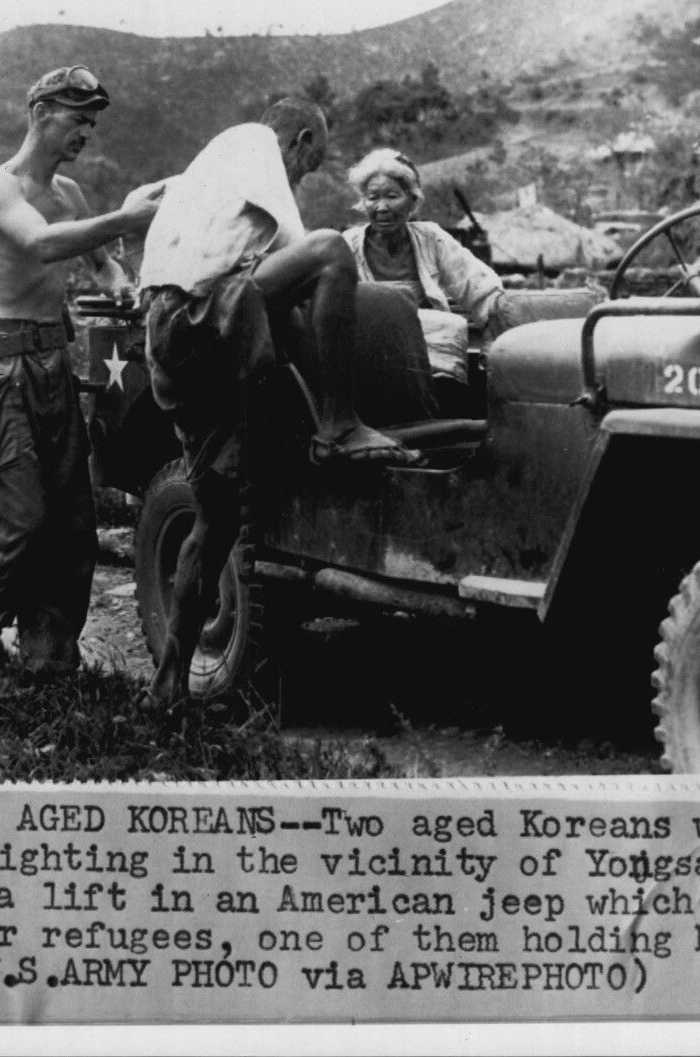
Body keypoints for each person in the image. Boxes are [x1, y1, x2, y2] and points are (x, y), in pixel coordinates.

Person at [138, 98, 417, 709]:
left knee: (215, 522)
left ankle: (167, 683)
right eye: (308, 164)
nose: (301, 175)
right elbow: (301, 242)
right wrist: (345, 290)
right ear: (300, 138)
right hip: (199, 314)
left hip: (174, 333)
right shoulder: (255, 144)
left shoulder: (208, 169)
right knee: (329, 253)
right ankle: (339, 426)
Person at [0, 65, 162, 677]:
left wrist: (119, 280)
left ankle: (49, 653)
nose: (87, 132)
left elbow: (99, 262)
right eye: (78, 119)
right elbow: (45, 244)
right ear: (41, 113)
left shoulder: (70, 193)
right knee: (18, 513)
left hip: (53, 360)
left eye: (93, 122)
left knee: (72, 519)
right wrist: (127, 218)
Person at [340, 147, 508, 388]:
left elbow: (481, 288)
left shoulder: (431, 238)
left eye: (391, 195)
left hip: (428, 352)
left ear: (412, 200)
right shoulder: (347, 244)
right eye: (373, 197)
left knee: (450, 329)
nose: (382, 207)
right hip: (373, 351)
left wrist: (495, 333)